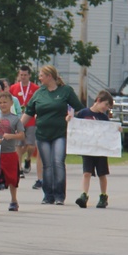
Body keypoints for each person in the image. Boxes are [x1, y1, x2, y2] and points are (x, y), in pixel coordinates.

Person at [21, 65, 84, 206]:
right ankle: (48, 195)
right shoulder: (39, 93)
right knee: (47, 165)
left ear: (49, 76)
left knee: (58, 162)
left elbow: (79, 108)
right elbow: (29, 112)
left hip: (59, 134)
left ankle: (59, 195)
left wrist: (88, 118)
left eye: (42, 75)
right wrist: (17, 127)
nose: (39, 78)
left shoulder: (65, 91)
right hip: (43, 134)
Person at [74, 90, 115, 209]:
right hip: (88, 149)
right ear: (98, 101)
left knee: (102, 173)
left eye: (108, 107)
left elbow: (109, 132)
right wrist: (69, 120)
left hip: (100, 150)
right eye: (106, 105)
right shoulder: (83, 113)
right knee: (87, 173)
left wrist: (116, 131)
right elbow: (75, 126)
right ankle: (84, 195)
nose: (106, 108)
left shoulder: (104, 118)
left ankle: (103, 196)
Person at [10, 65, 40, 184]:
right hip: (18, 118)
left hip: (31, 118)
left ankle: (28, 159)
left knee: (31, 145)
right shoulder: (14, 88)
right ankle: (19, 168)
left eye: (25, 75)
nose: (23, 77)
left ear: (29, 75)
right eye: (21, 75)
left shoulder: (35, 88)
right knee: (18, 145)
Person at [0, 92, 25, 211]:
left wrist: (11, 136)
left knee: (12, 179)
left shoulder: (15, 119)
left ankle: (14, 200)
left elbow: (22, 135)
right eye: (0, 103)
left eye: (5, 102)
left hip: (10, 152)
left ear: (11, 103)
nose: (3, 105)